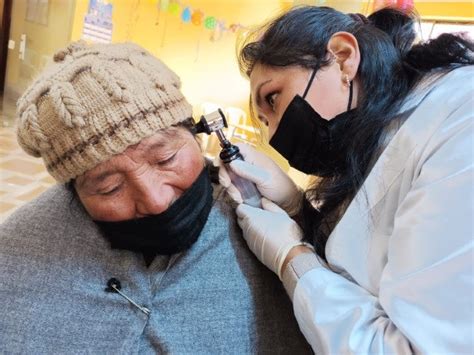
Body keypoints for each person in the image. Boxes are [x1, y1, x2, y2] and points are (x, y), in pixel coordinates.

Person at [0, 42, 312, 353]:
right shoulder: (19, 249)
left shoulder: (261, 210)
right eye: (110, 188)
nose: (156, 201)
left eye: (165, 159)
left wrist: (299, 213)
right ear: (72, 192)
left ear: (195, 134)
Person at [217, 6, 474, 354]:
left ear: (342, 58)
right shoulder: (380, 138)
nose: (276, 132)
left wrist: (293, 258)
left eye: (274, 99)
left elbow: (411, 347)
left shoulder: (460, 117)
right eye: (264, 123)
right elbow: (360, 264)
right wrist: (298, 210)